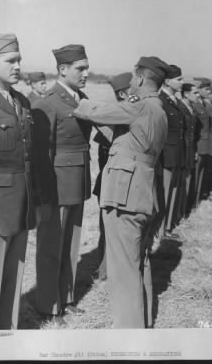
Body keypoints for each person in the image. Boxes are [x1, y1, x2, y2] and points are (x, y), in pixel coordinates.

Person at [73, 56, 168, 328]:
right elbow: (130, 138)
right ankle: (143, 323)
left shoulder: (139, 107)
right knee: (138, 263)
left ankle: (129, 337)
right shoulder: (157, 109)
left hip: (125, 197)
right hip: (143, 195)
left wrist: (79, 102)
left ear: (139, 79)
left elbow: (96, 111)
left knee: (123, 271)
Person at [32, 44, 92, 323]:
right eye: (80, 68)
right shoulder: (47, 102)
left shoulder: (81, 98)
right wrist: (44, 197)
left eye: (86, 68)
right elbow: (42, 155)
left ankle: (65, 298)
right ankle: (46, 305)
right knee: (50, 247)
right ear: (63, 70)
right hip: (55, 188)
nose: (85, 73)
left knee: (70, 245)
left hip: (76, 183)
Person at [0, 33, 35, 329]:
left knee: (15, 270)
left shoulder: (22, 101)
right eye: (10, 61)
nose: (17, 66)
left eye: (19, 60)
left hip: (23, 199)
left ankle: (8, 332)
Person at [93, 72, 132, 281]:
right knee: (108, 229)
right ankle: (104, 270)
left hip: (121, 182)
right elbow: (103, 160)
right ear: (125, 93)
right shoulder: (113, 119)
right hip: (111, 183)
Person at [152, 64, 184, 251]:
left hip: (175, 154)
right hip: (165, 155)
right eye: (178, 79)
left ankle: (165, 229)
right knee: (162, 195)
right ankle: (159, 232)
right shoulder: (161, 100)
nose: (181, 82)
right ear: (167, 81)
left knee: (169, 193)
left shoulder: (173, 100)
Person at [178, 82, 200, 216]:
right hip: (182, 150)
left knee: (187, 180)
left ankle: (183, 210)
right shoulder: (180, 108)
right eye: (195, 93)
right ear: (186, 94)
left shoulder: (190, 108)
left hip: (190, 150)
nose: (198, 95)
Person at [192, 78, 211, 206]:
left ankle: (197, 199)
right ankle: (192, 202)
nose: (208, 91)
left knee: (201, 173)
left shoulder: (204, 103)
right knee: (195, 174)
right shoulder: (194, 105)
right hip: (198, 145)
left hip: (205, 144)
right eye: (206, 89)